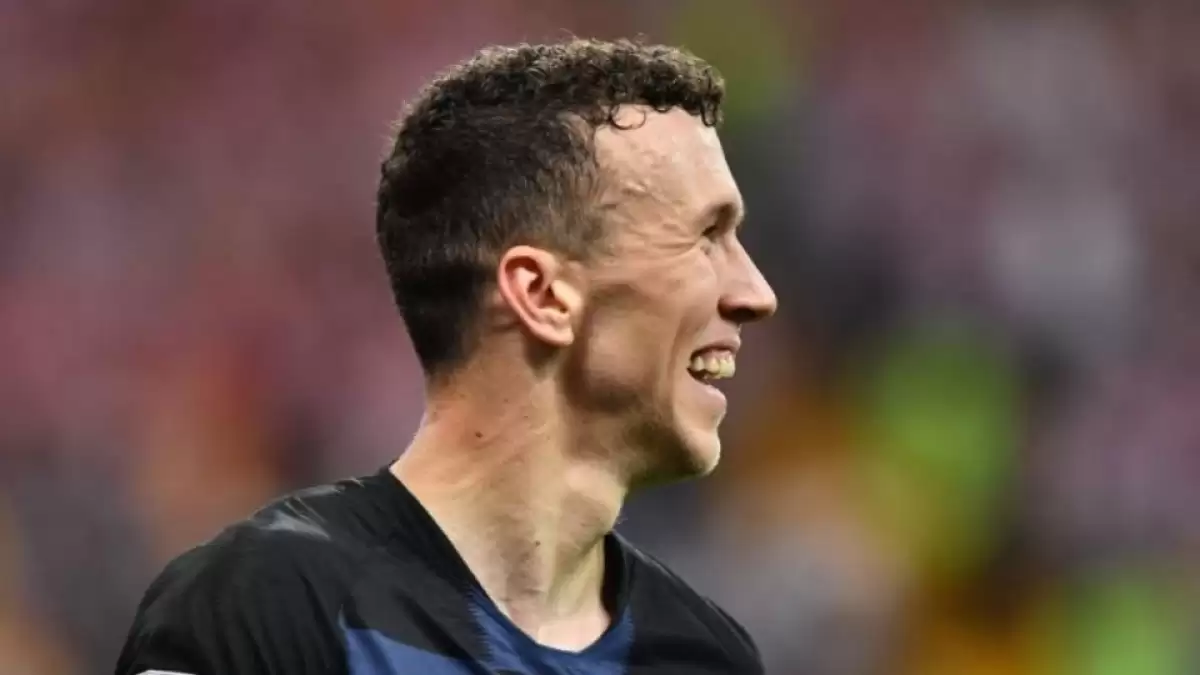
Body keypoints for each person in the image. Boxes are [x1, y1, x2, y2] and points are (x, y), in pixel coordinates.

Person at [115, 38, 777, 675]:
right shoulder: (268, 612)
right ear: (541, 294)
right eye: (707, 236)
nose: (756, 293)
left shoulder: (708, 656)